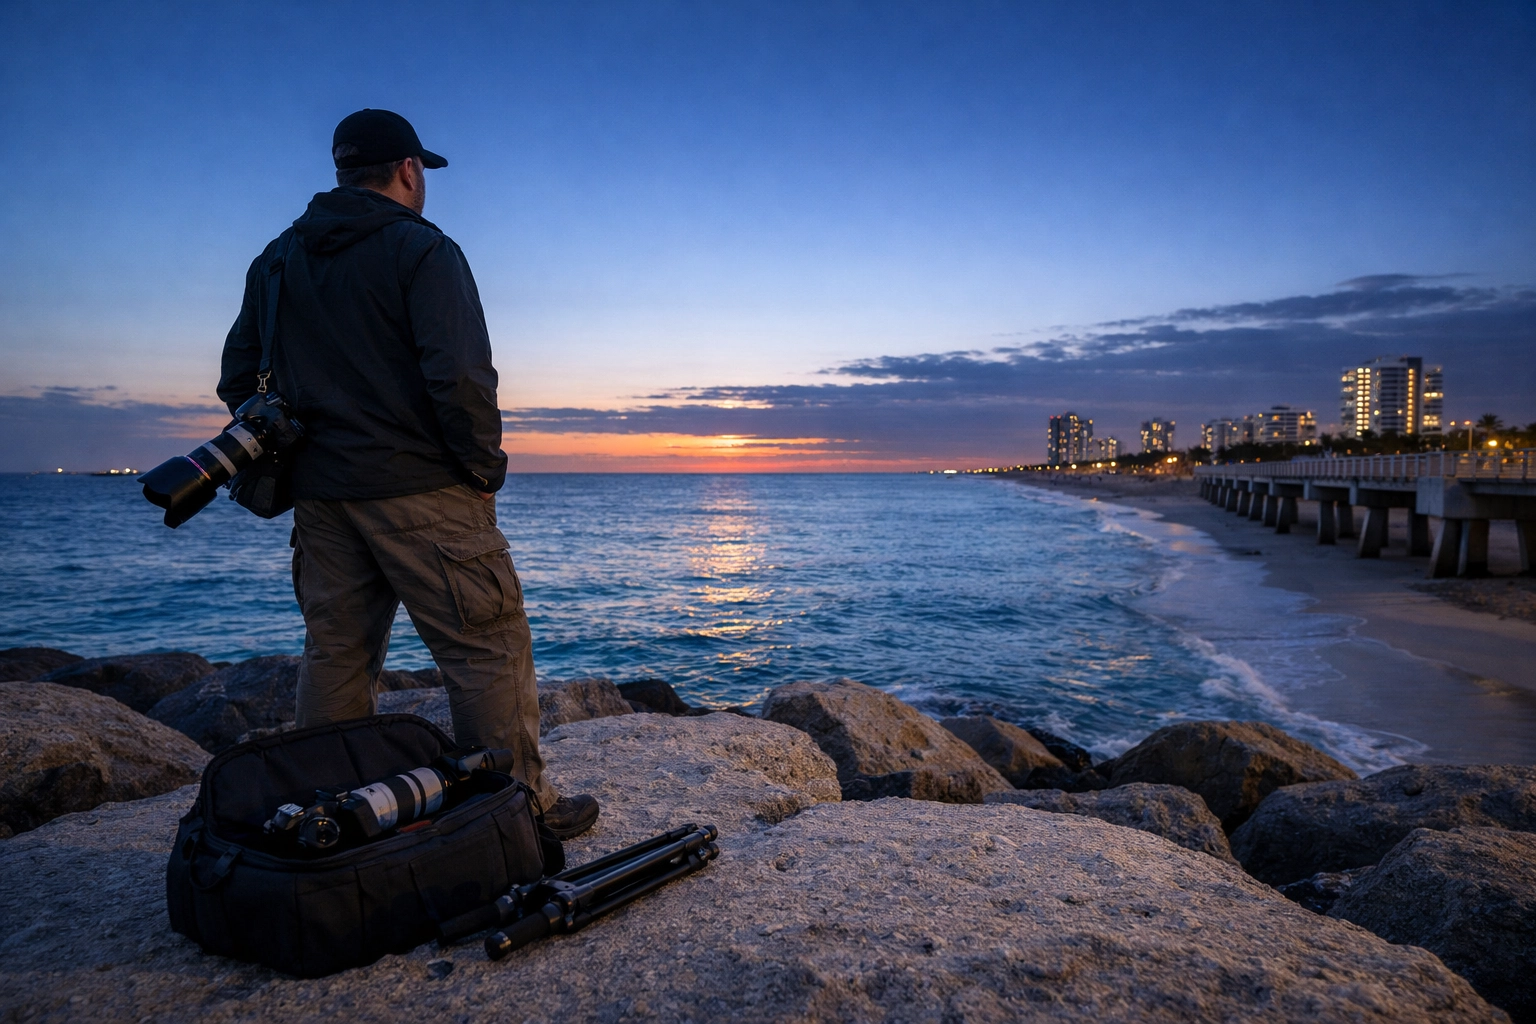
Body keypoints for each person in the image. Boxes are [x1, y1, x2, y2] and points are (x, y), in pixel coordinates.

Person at [217, 108, 598, 839]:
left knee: (337, 653)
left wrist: (301, 438)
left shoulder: (276, 259)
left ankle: (325, 816)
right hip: (424, 490)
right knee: (484, 645)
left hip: (323, 497)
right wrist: (484, 468)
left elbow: (239, 378)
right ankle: (515, 815)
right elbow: (459, 378)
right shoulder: (421, 249)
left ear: (341, 170)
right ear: (408, 170)